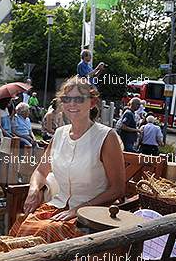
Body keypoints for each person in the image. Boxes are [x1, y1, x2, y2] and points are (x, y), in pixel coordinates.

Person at [10, 75, 125, 243]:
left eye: (79, 99)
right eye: (66, 99)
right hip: (58, 206)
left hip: (91, 214)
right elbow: (41, 171)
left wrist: (79, 209)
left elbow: (117, 189)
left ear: (92, 103)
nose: (72, 104)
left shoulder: (106, 137)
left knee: (45, 231)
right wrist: (34, 190)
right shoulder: (59, 134)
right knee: (23, 224)